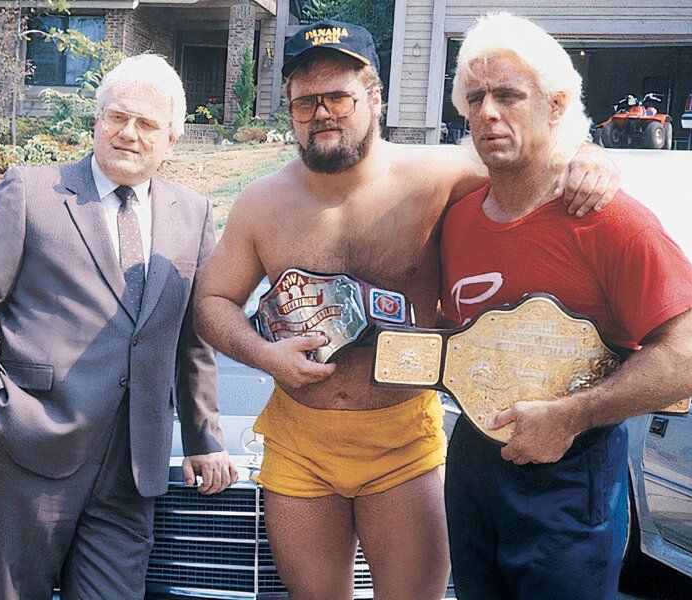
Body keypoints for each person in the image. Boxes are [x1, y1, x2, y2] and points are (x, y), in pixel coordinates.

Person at [193, 20, 620, 600]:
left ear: (374, 96)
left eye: (338, 97)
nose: (322, 113)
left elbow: (532, 162)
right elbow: (212, 302)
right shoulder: (260, 203)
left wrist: (587, 152)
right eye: (304, 102)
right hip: (299, 440)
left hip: (403, 440)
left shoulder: (441, 177)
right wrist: (264, 354)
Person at [438, 13, 692, 599]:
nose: (488, 112)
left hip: (572, 472)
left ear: (556, 105)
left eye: (509, 95)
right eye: (475, 98)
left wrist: (571, 416)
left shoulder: (608, 218)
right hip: (471, 464)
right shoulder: (455, 215)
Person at [0, 54, 238, 599]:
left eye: (147, 124)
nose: (129, 133)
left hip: (132, 467)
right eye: (117, 117)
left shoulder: (192, 212)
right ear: (96, 121)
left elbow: (193, 339)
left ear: (171, 138)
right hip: (32, 446)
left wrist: (204, 436)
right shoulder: (31, 192)